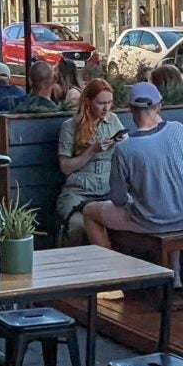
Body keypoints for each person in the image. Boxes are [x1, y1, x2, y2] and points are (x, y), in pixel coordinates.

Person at [81, 81, 183, 249]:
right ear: (159, 107)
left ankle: (110, 269)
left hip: (149, 222)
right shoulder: (178, 129)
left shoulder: (124, 148)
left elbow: (118, 199)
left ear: (130, 109)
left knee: (89, 211)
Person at [53, 79, 123, 243]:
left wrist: (123, 143)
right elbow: (65, 168)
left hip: (108, 193)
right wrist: (91, 151)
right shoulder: (70, 126)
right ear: (88, 102)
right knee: (80, 225)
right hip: (78, 194)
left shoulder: (113, 121)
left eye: (109, 102)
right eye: (101, 103)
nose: (106, 108)